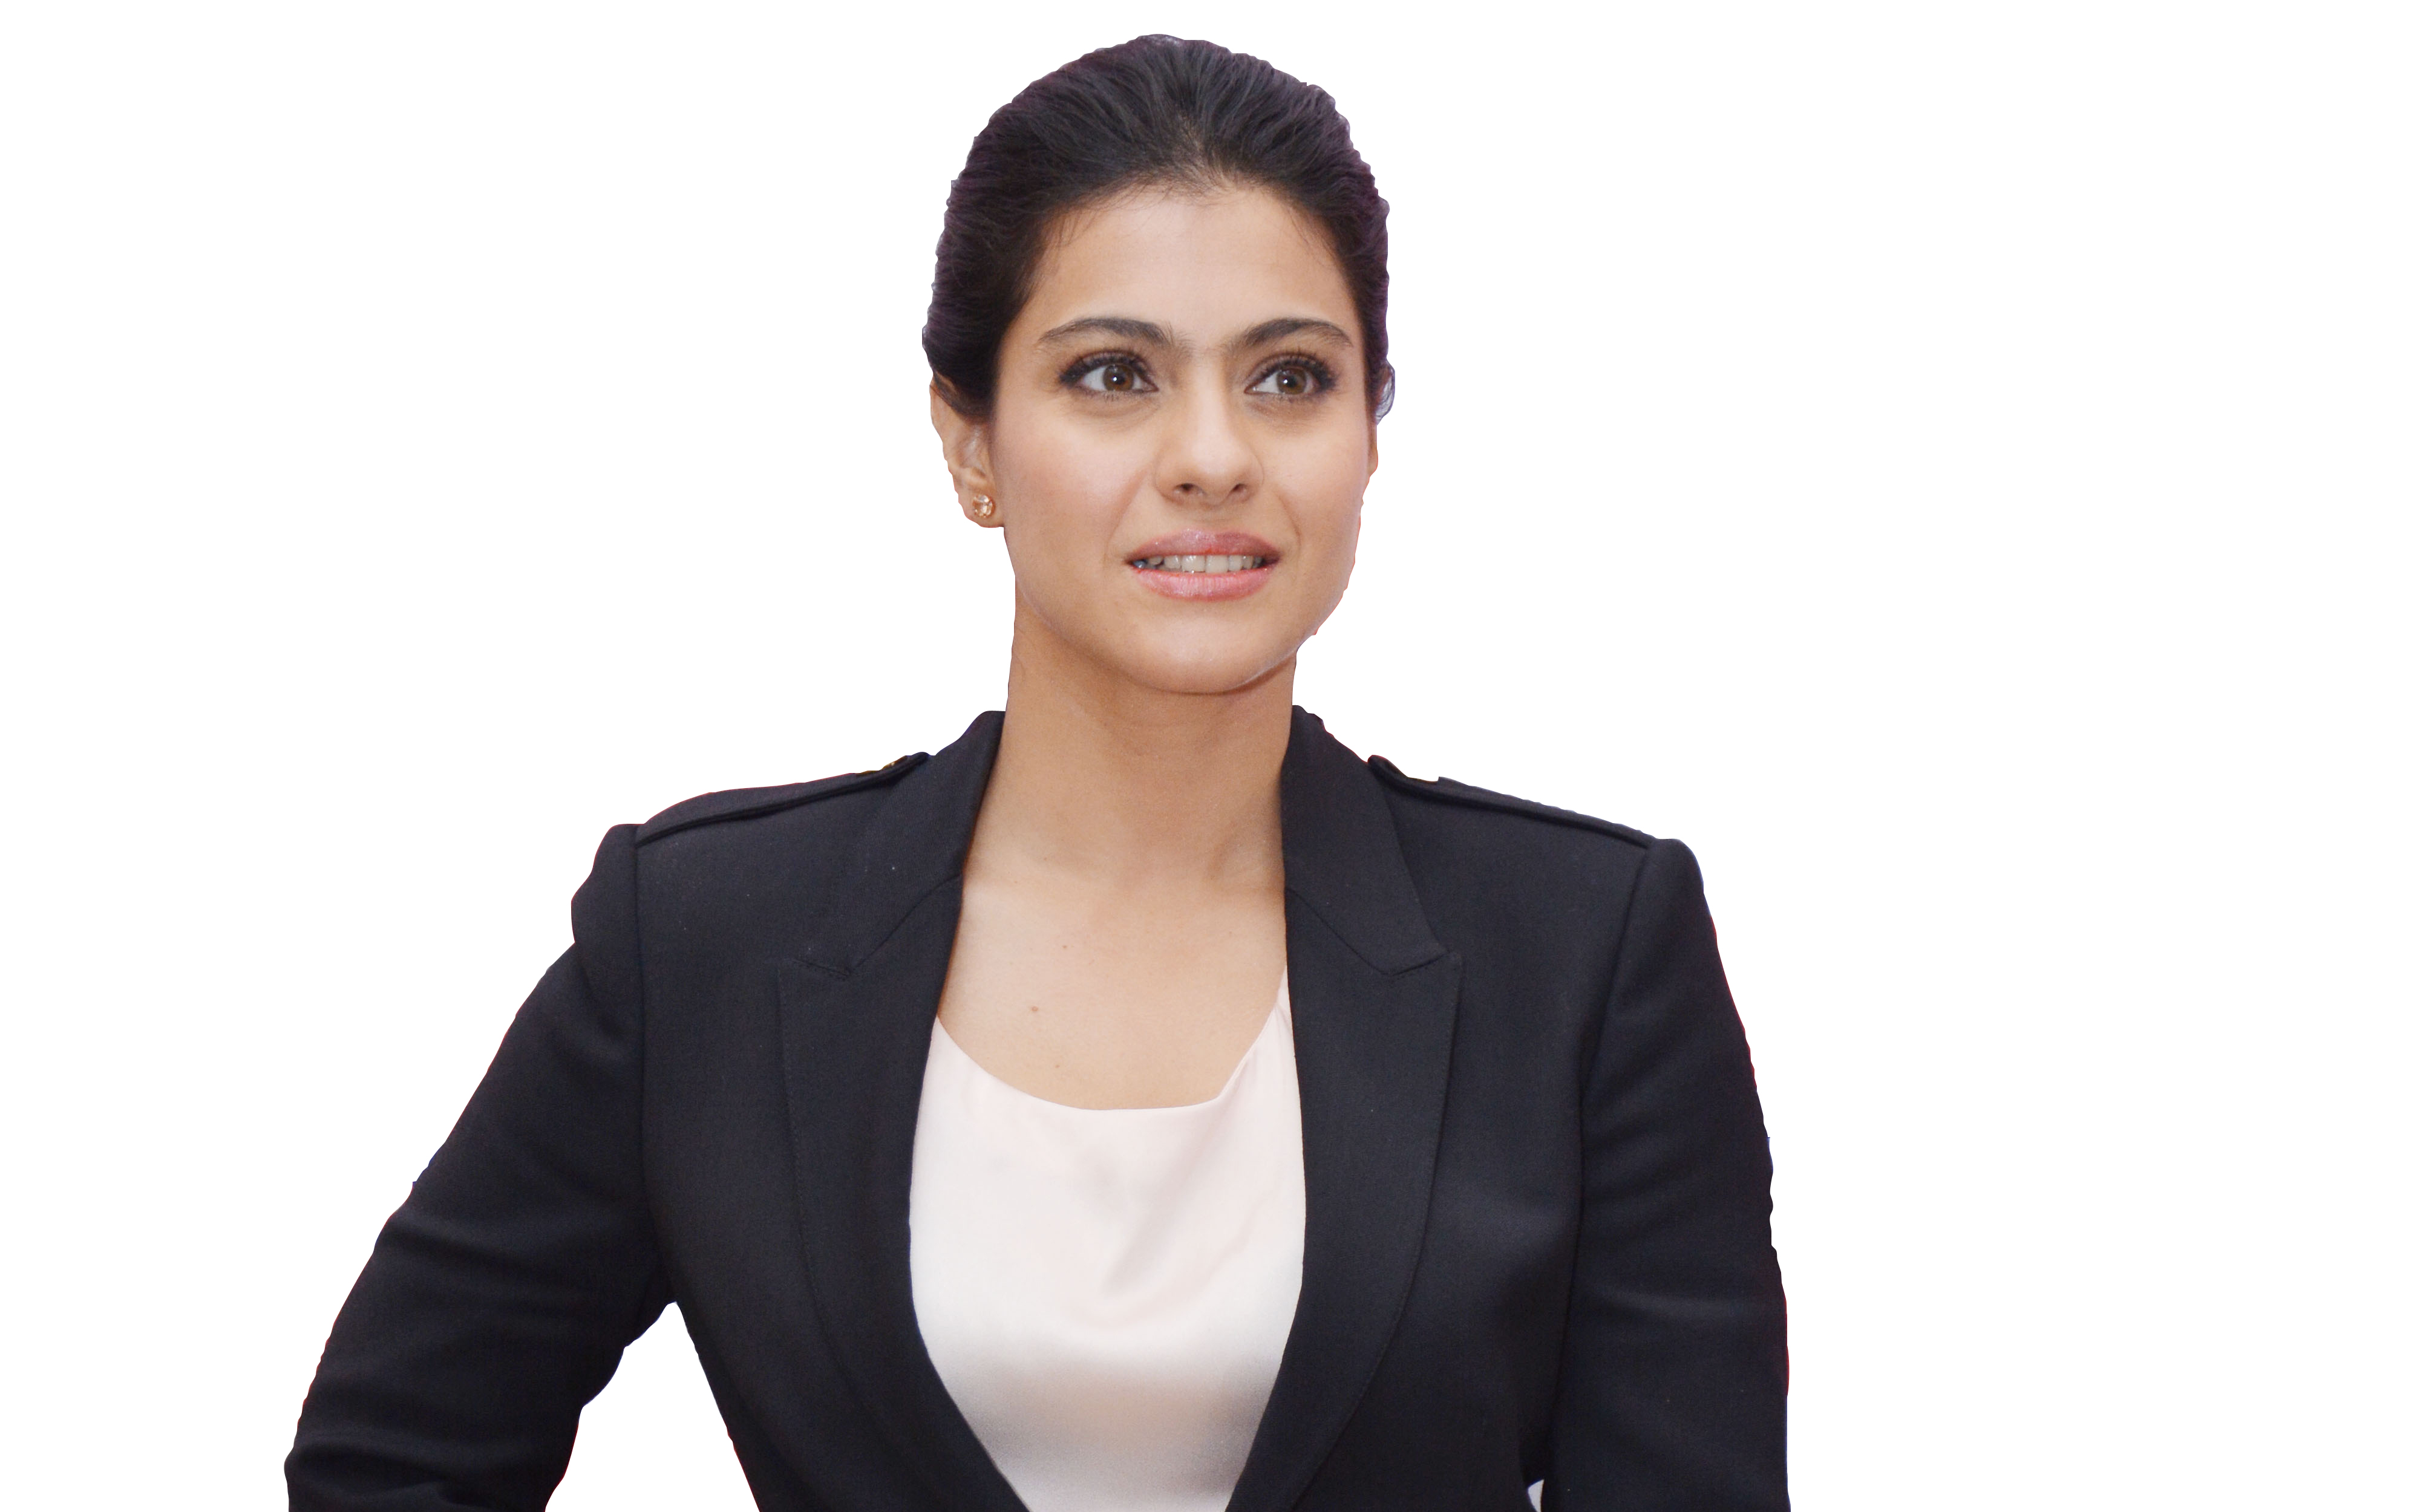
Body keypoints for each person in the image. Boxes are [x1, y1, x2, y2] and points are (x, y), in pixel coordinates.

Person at [287, 34, 1788, 1512]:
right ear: (970, 443)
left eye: (1288, 376)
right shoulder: (700, 940)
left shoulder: (1587, 956)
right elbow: (390, 1458)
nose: (1212, 454)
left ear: (1368, 433)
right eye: (1113, 373)